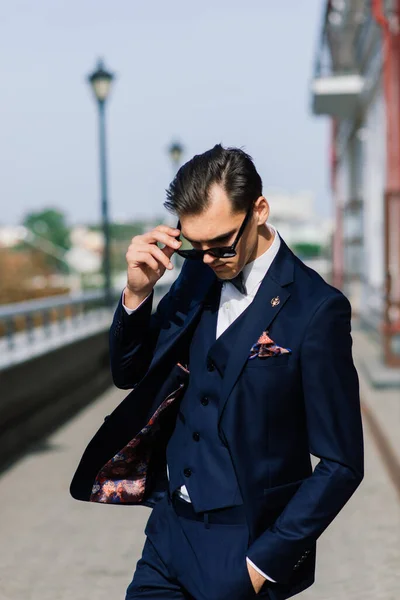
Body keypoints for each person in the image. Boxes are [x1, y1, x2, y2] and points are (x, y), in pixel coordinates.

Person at [70, 144, 364, 600]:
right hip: (168, 536)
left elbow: (342, 463)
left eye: (221, 244)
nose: (209, 259)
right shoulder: (198, 275)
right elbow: (131, 373)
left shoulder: (317, 309)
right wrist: (137, 294)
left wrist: (262, 564)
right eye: (196, 248)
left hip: (241, 549)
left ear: (259, 210)